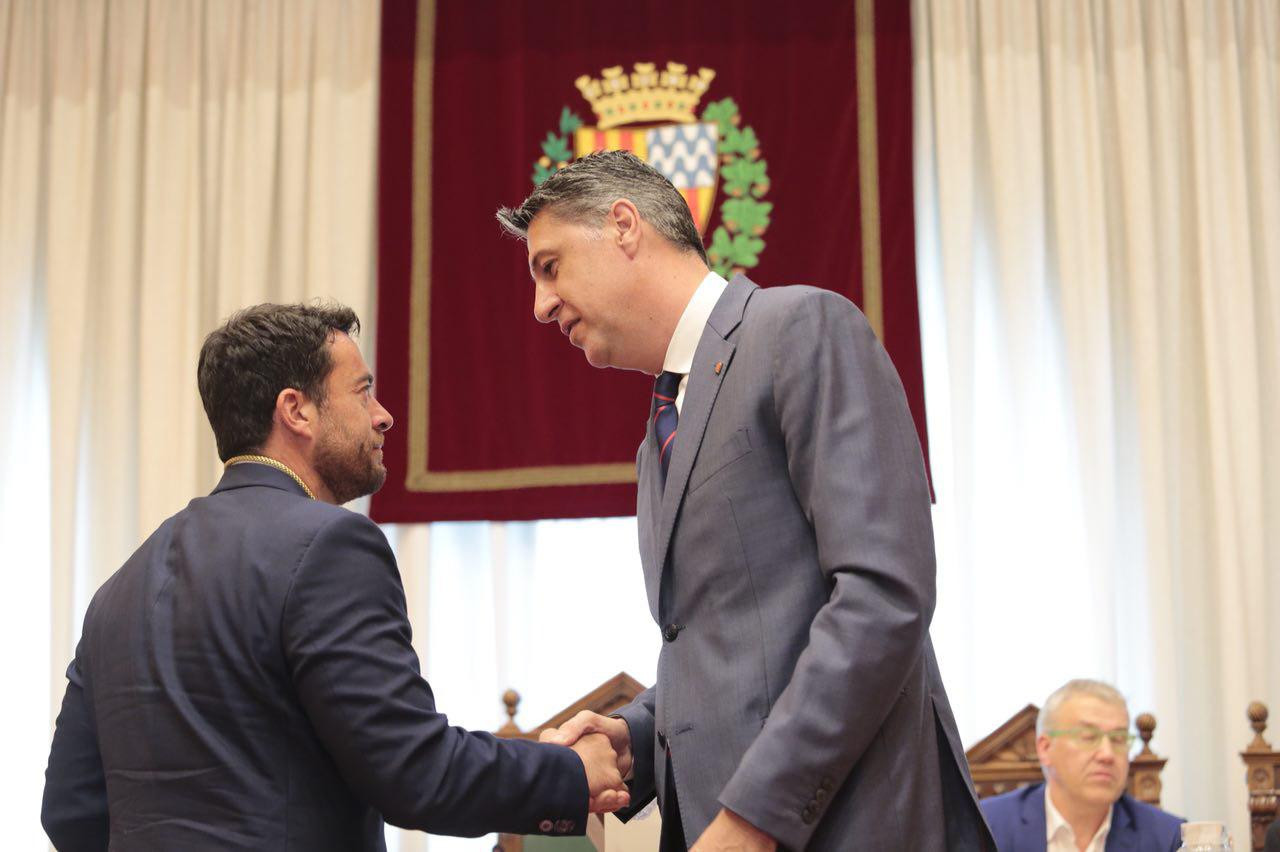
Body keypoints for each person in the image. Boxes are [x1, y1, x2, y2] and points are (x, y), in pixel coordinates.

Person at [495, 150, 992, 851]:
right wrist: (638, 737)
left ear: (625, 227)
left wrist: (757, 815)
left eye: (550, 267)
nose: (541, 306)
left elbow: (884, 596)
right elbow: (733, 646)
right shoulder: (658, 433)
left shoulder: (800, 328)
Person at [41, 303, 629, 851]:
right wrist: (570, 773)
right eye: (364, 390)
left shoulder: (119, 588)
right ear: (296, 410)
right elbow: (413, 772)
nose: (384, 415)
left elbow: (69, 810)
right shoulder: (328, 545)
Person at [981, 679, 1183, 852]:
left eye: (1118, 739)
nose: (1107, 754)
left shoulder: (1169, 838)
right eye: (1088, 737)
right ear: (1045, 748)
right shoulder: (987, 828)